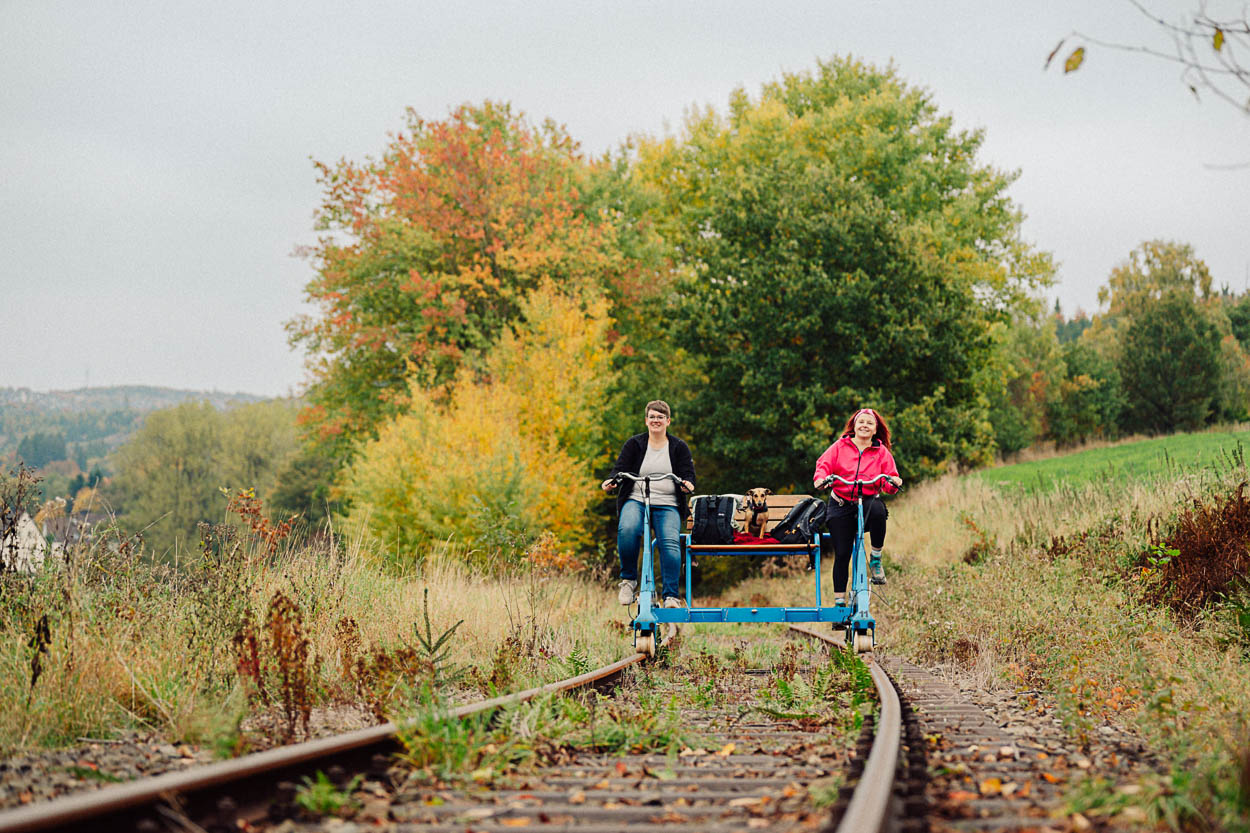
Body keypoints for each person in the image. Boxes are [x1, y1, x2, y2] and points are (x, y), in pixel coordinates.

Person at [602, 400, 696, 609]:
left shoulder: (679, 447)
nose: (656, 420)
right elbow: (620, 469)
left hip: (667, 502)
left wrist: (687, 484)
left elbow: (689, 475)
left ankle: (671, 595)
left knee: (670, 542)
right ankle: (628, 581)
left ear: (668, 421)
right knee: (627, 529)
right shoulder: (634, 444)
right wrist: (611, 481)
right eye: (652, 417)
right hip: (637, 498)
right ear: (646, 420)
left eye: (660, 417)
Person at [812, 408, 902, 600]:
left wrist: (894, 482)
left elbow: (890, 480)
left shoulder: (881, 451)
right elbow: (824, 466)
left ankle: (876, 558)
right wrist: (821, 479)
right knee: (842, 553)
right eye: (861, 422)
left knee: (879, 508)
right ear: (854, 425)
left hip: (867, 504)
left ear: (876, 429)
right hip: (841, 504)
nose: (865, 425)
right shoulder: (839, 446)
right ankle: (839, 603)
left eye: (870, 423)